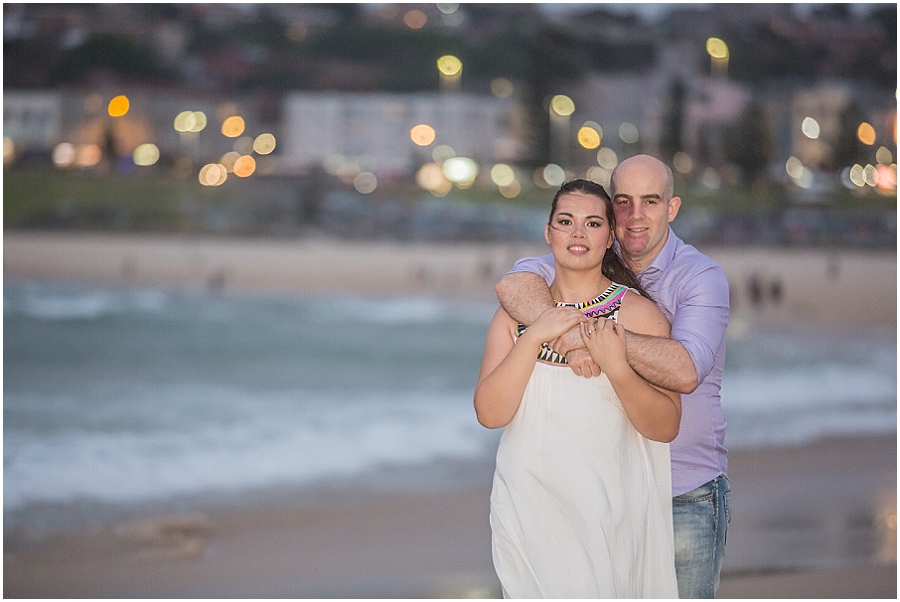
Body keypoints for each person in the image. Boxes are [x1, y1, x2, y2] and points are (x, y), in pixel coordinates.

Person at [495, 154, 730, 598]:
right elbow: (513, 287)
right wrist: (579, 334)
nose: (635, 216)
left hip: (684, 492)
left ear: (672, 208)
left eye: (651, 201)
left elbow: (684, 369)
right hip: (607, 491)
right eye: (622, 201)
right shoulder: (588, 251)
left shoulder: (701, 277)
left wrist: (600, 341)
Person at [474, 179, 680, 598]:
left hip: (607, 507)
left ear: (609, 238)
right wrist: (535, 336)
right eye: (565, 222)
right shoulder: (515, 315)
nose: (577, 233)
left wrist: (616, 367)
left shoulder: (639, 315)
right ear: (548, 232)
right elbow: (490, 414)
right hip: (527, 503)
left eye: (592, 223)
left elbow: (666, 426)